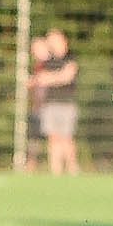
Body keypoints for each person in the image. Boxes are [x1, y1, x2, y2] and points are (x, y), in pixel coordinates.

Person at [31, 30, 81, 175]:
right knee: (53, 138)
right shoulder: (47, 62)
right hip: (50, 104)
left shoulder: (70, 57)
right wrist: (58, 76)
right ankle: (56, 171)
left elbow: (67, 76)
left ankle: (72, 168)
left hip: (67, 103)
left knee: (67, 137)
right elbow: (41, 78)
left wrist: (52, 78)